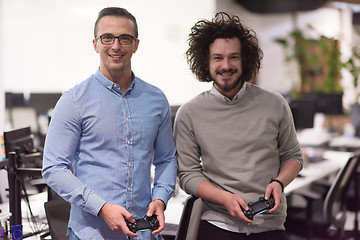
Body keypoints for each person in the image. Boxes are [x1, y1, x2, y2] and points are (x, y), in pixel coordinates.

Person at [42, 7, 177, 240]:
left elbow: (166, 158)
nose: (116, 46)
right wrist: (102, 207)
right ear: (95, 44)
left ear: (136, 44)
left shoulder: (156, 100)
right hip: (91, 234)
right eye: (107, 37)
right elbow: (54, 168)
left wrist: (160, 199)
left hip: (144, 232)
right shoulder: (74, 100)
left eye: (125, 38)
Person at [174, 12, 303, 240]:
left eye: (234, 57)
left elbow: (293, 156)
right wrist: (225, 198)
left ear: (245, 59)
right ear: (206, 61)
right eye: (218, 58)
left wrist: (279, 183)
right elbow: (188, 175)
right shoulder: (189, 113)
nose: (226, 65)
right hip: (217, 224)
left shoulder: (275, 103)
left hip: (269, 224)